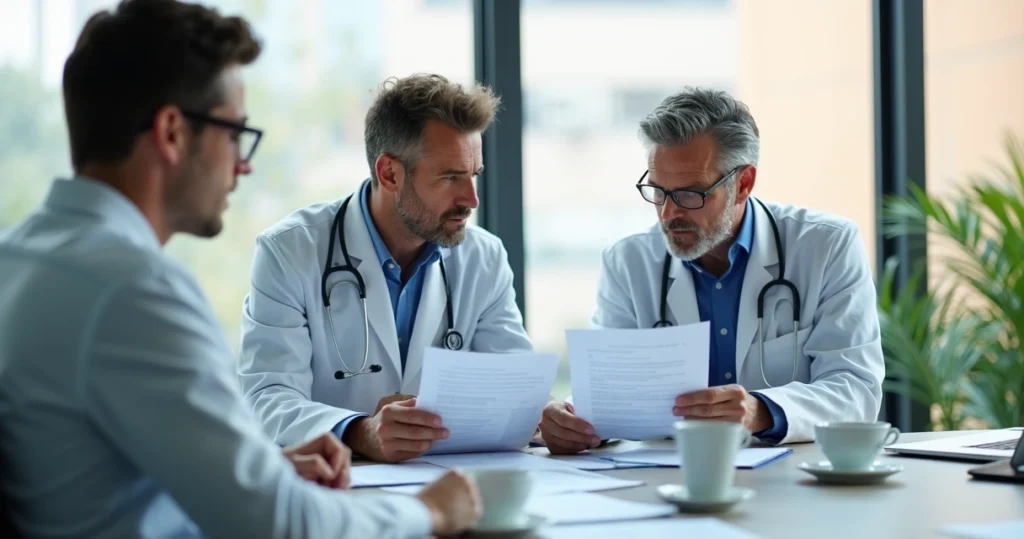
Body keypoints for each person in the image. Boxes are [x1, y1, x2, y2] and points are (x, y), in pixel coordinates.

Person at [0, 1, 479, 537]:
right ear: (173, 133)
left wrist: (262, 472)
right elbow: (276, 524)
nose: (243, 163)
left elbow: (100, 469)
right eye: (234, 134)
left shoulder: (22, 257)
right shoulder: (133, 290)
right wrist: (432, 511)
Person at [539, 87, 884, 453]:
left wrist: (761, 412)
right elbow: (612, 393)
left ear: (743, 184)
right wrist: (571, 418)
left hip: (790, 480)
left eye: (691, 194)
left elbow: (856, 389)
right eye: (658, 191)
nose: (669, 213)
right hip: (670, 482)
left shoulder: (826, 246)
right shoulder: (628, 262)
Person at [238, 73, 533, 464]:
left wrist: (549, 419)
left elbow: (516, 388)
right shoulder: (290, 251)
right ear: (390, 173)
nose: (471, 199)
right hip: (338, 487)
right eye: (450, 177)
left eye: (473, 175)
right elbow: (266, 398)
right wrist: (360, 430)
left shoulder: (484, 257)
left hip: (451, 481)